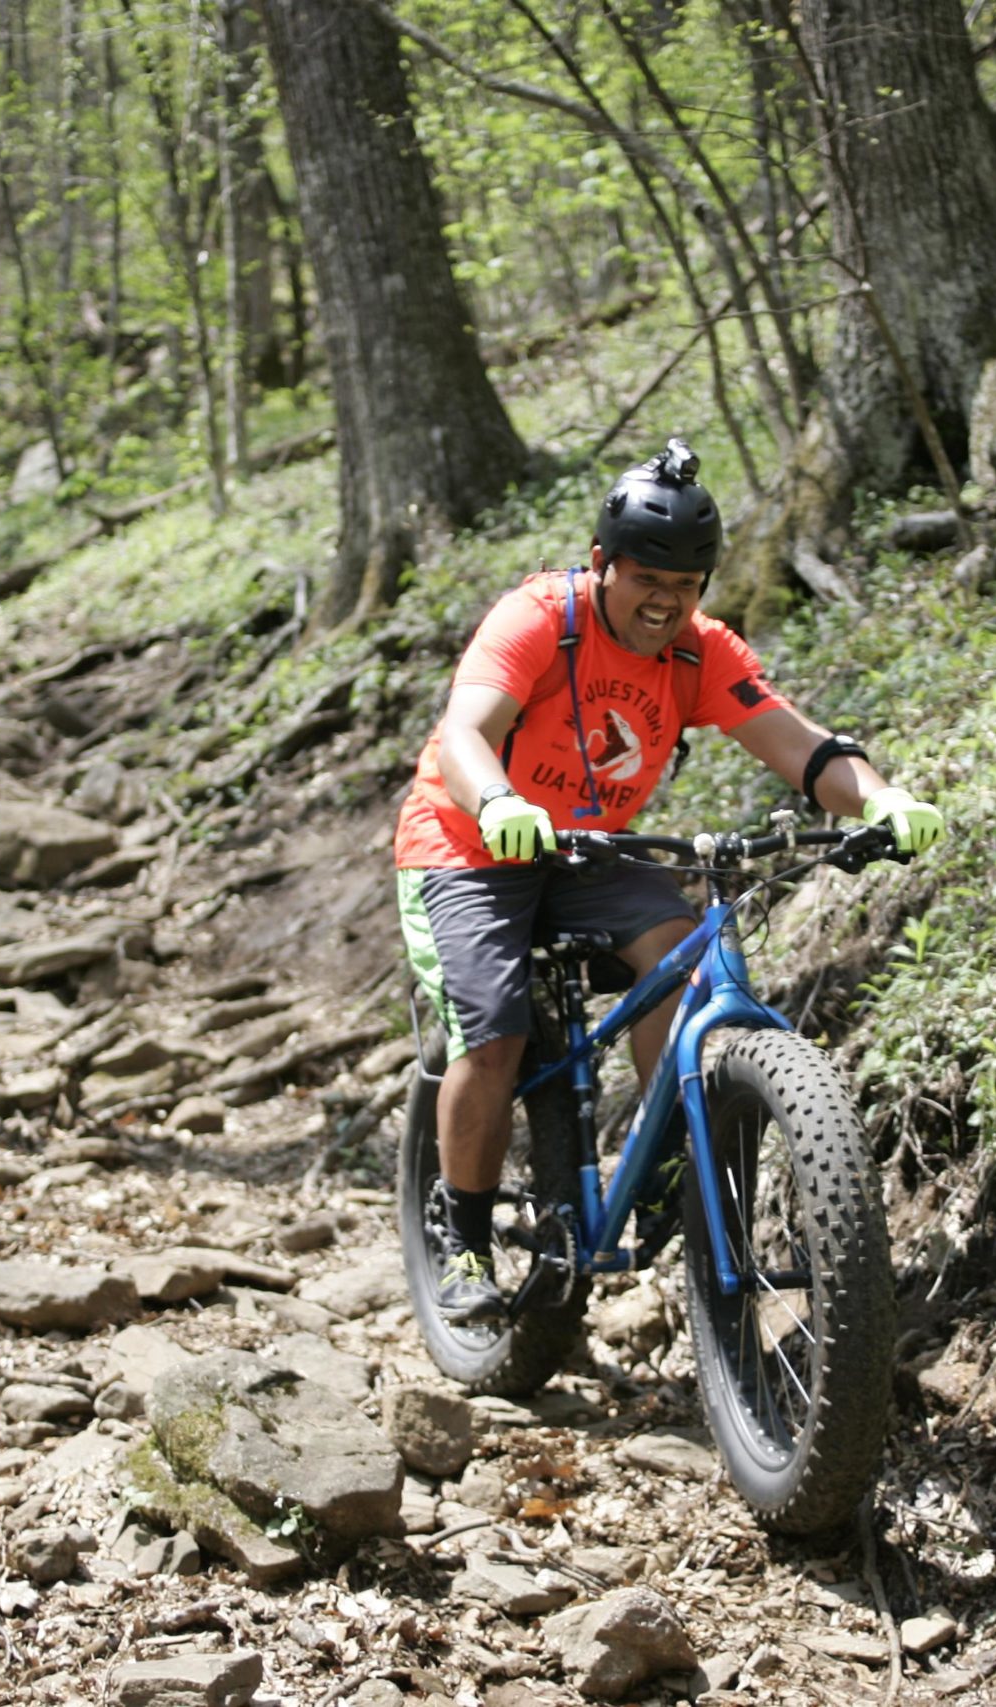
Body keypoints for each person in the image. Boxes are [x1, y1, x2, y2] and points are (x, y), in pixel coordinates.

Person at [392, 439, 946, 1324]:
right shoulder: (540, 619)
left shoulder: (698, 653)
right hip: (464, 844)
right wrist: (497, 797)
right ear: (603, 563)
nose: (665, 602)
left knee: (680, 956)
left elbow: (797, 745)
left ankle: (659, 1167)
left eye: (686, 586)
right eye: (648, 578)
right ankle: (461, 1237)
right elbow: (466, 731)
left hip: (584, 851)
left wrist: (878, 798)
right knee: (491, 1034)